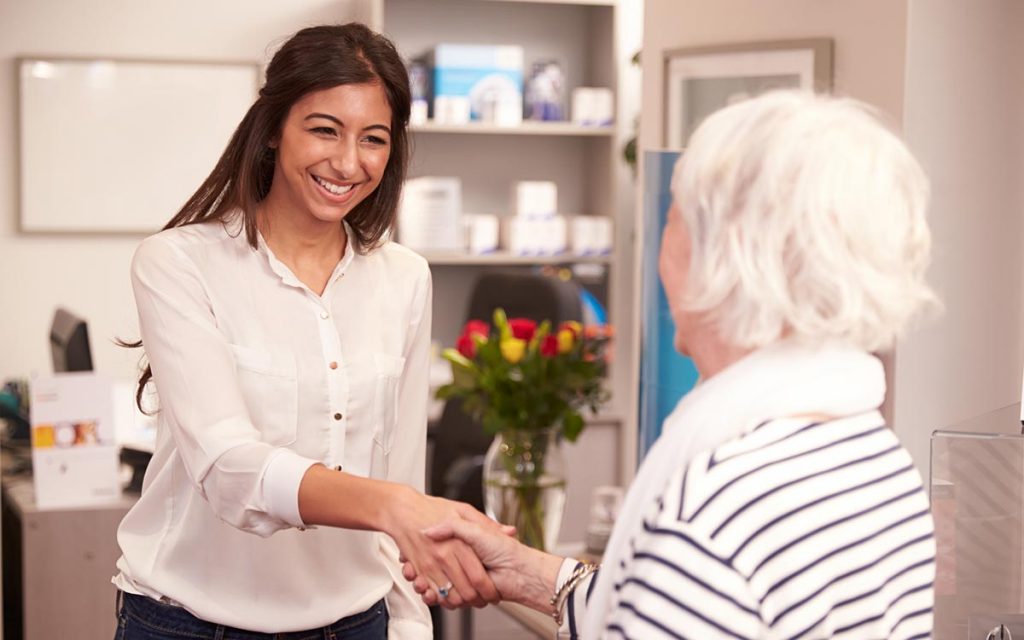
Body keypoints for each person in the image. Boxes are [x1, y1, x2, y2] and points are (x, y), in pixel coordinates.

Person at [403, 90, 939, 639]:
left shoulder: (709, 514)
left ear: (725, 256)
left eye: (675, 218)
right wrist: (524, 569)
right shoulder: (881, 462)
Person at [113, 23, 507, 640]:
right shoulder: (178, 263)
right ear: (273, 128)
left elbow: (401, 468)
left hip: (356, 622)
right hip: (188, 622)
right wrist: (391, 506)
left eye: (373, 139)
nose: (348, 163)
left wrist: (408, 625)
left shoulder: (405, 277)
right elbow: (228, 467)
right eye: (325, 129)